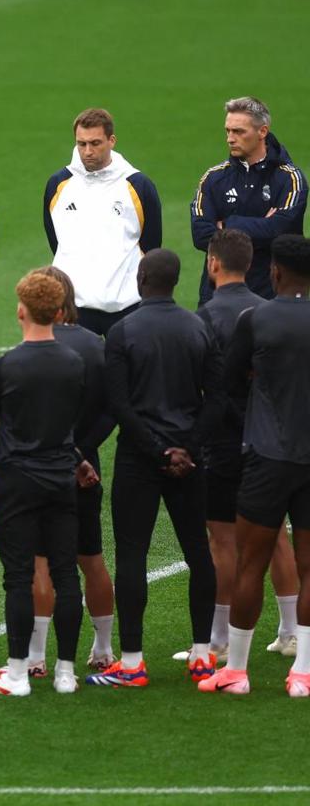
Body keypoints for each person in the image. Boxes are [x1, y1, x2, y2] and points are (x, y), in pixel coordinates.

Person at [90, 249, 221, 688]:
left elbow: (118, 403)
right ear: (176, 280)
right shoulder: (198, 325)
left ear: (141, 277)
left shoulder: (124, 331)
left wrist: (157, 449)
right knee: (198, 553)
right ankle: (203, 655)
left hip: (139, 459)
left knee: (132, 555)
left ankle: (132, 663)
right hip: (190, 459)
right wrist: (187, 447)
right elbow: (216, 397)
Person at [0, 271, 87, 697]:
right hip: (60, 478)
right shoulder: (74, 363)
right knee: (67, 575)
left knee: (18, 577)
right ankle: (65, 672)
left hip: (16, 479)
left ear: (22, 310)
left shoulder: (5, 366)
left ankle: (17, 673)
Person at [200, 235, 310, 696]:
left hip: (266, 454)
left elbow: (229, 382)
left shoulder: (256, 318)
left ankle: (237, 672)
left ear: (276, 272)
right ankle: (303, 672)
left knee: (250, 564)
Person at [27, 267, 117, 676]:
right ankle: (102, 649)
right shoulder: (97, 347)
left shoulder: (32, 347)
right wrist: (83, 451)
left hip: (41, 467)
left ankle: (36, 657)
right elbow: (111, 411)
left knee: (41, 562)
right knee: (91, 558)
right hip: (86, 467)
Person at [44, 108, 162, 336]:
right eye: (81, 144)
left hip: (127, 307)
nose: (88, 151)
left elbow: (151, 246)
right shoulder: (58, 185)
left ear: (112, 141)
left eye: (95, 143)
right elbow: (56, 241)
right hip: (73, 308)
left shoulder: (138, 186)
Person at [191, 96, 306, 304]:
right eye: (228, 131)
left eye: (239, 131)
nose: (230, 139)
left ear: (262, 132)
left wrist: (226, 225)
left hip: (269, 299)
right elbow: (200, 235)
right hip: (217, 300)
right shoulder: (213, 178)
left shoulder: (290, 178)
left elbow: (280, 232)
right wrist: (263, 226)